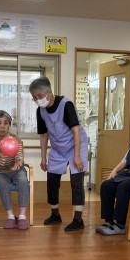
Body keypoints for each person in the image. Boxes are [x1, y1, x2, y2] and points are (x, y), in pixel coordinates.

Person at [29, 77, 88, 232]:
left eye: (39, 96)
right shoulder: (40, 111)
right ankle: (55, 215)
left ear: (49, 93)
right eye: (34, 98)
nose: (37, 100)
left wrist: (77, 156)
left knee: (76, 182)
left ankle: (78, 219)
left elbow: (76, 131)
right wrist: (43, 157)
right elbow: (43, 135)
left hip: (76, 145)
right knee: (52, 180)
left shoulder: (66, 104)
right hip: (58, 147)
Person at [0, 110, 30, 229]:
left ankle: (22, 217)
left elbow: (19, 155)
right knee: (3, 184)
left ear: (9, 125)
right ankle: (10, 216)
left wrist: (19, 161)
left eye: (6, 123)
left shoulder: (16, 138)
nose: (2, 126)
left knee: (23, 182)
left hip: (17, 170)